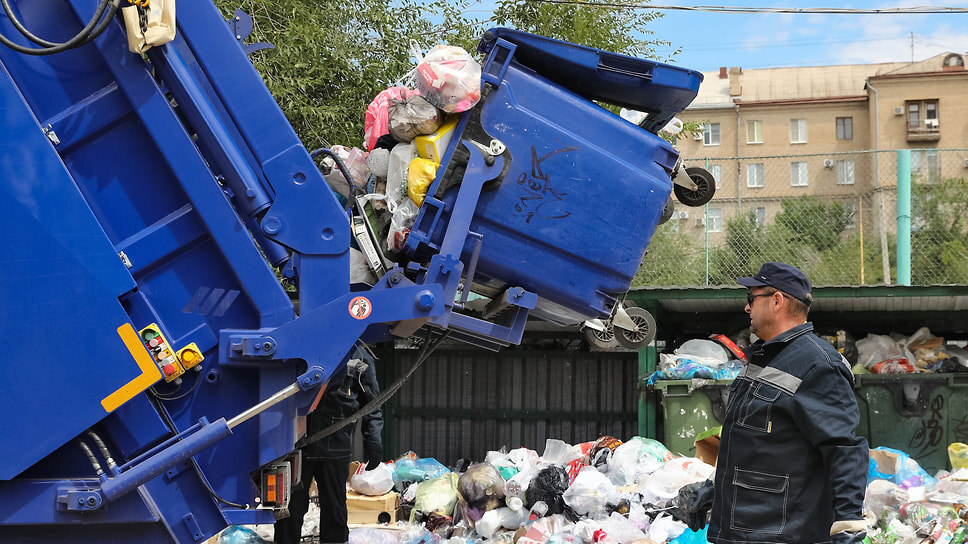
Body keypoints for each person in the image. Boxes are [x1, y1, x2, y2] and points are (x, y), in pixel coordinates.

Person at [704, 262, 868, 544]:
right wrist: (713, 493)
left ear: (777, 300)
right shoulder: (765, 357)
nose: (747, 309)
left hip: (779, 533)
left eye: (751, 299)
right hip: (746, 527)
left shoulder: (818, 365)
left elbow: (844, 449)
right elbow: (757, 448)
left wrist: (848, 527)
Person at [275, 350, 383, 544]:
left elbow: (371, 404)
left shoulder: (358, 354)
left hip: (335, 445)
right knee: (289, 510)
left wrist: (373, 439)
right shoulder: (297, 345)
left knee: (334, 509)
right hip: (293, 446)